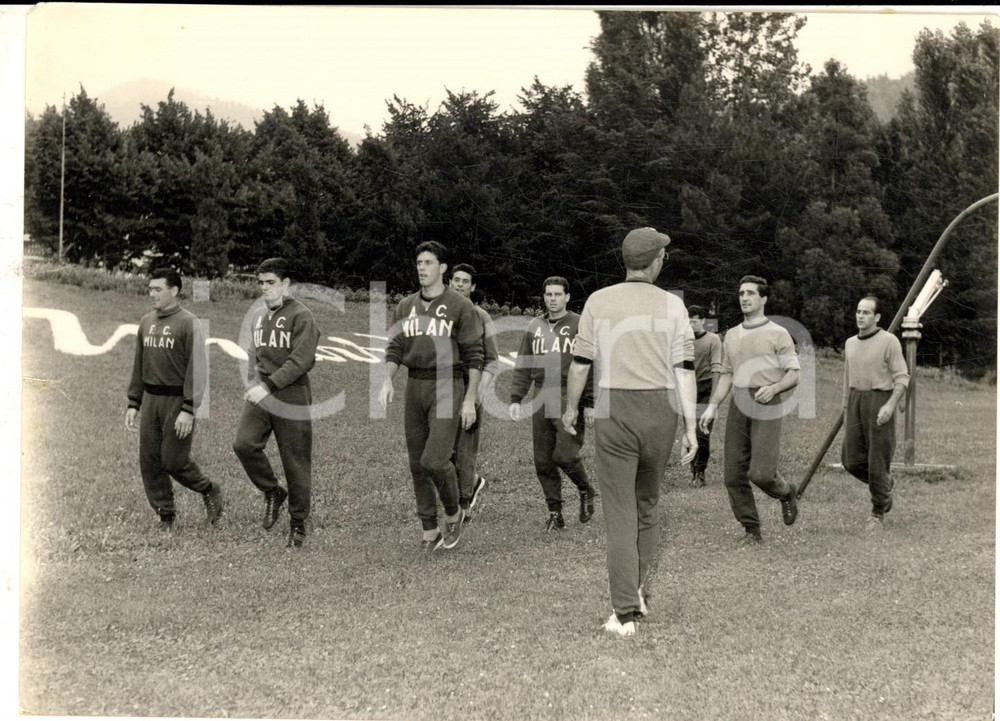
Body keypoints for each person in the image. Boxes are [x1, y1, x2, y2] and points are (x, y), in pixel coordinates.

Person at [562, 228, 698, 638]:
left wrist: (571, 409)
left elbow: (581, 365)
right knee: (648, 505)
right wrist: (691, 426)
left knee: (620, 511)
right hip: (661, 411)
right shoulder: (674, 305)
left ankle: (624, 613)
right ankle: (634, 594)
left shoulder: (598, 301)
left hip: (614, 408)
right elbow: (684, 370)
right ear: (656, 261)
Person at [379, 241, 484, 552]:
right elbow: (395, 348)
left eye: (428, 263)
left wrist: (469, 399)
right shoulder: (405, 305)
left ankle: (453, 512)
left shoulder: (460, 306)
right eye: (419, 262)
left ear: (442, 269)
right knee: (416, 464)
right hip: (415, 385)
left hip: (447, 384)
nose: (421, 268)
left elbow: (474, 356)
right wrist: (387, 380)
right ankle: (429, 530)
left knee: (435, 460)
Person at [699, 275, 800, 546]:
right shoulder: (731, 335)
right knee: (733, 474)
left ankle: (787, 492)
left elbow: (793, 374)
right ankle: (751, 530)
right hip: (739, 402)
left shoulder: (778, 333)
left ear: (764, 299)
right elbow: (728, 375)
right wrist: (711, 407)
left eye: (751, 293)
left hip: (767, 402)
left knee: (762, 474)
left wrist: (776, 387)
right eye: (741, 293)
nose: (744, 297)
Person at [232, 258, 321, 548]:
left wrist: (269, 386)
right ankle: (272, 492)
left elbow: (301, 360)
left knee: (294, 461)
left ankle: (297, 524)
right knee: (244, 444)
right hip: (262, 391)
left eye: (270, 282)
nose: (264, 288)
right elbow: (252, 352)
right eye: (261, 283)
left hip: (291, 393)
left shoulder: (302, 315)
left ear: (286, 284)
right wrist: (252, 383)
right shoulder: (259, 315)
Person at [125, 267, 222, 529]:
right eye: (150, 289)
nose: (152, 294)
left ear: (175, 290)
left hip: (177, 401)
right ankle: (165, 514)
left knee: (173, 460)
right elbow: (139, 363)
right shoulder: (146, 322)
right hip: (151, 399)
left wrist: (189, 408)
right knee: (149, 460)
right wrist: (134, 402)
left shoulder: (189, 322)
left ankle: (208, 489)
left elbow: (197, 368)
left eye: (158, 289)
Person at [509, 276, 598, 530]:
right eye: (548, 294)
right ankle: (555, 513)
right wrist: (516, 397)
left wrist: (589, 402)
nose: (552, 299)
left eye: (558, 294)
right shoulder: (535, 326)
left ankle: (586, 490)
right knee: (543, 460)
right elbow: (523, 363)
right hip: (541, 393)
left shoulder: (580, 323)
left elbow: (591, 365)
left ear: (567, 297)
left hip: (569, 393)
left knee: (565, 454)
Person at [841, 295, 909, 524]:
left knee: (877, 461)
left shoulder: (889, 341)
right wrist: (845, 406)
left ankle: (877, 512)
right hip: (855, 401)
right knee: (850, 461)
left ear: (877, 317)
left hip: (879, 400)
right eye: (859, 311)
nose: (861, 316)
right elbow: (847, 378)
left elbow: (902, 377)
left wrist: (890, 404)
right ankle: (884, 485)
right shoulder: (850, 343)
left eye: (866, 312)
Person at [448, 263, 497, 521]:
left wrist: (477, 395)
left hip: (469, 387)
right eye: (455, 280)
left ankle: (463, 505)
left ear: (473, 287)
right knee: (443, 449)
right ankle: (472, 484)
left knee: (464, 450)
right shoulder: (439, 314)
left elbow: (492, 360)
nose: (459, 284)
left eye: (465, 281)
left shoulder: (481, 317)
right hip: (443, 389)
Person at [687, 305, 723, 488]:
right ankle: (693, 470)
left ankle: (700, 471)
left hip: (706, 388)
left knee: (703, 433)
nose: (691, 324)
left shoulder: (713, 340)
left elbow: (717, 367)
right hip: (688, 389)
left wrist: (714, 399)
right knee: (690, 431)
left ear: (702, 320)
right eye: (689, 321)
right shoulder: (684, 339)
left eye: (695, 320)